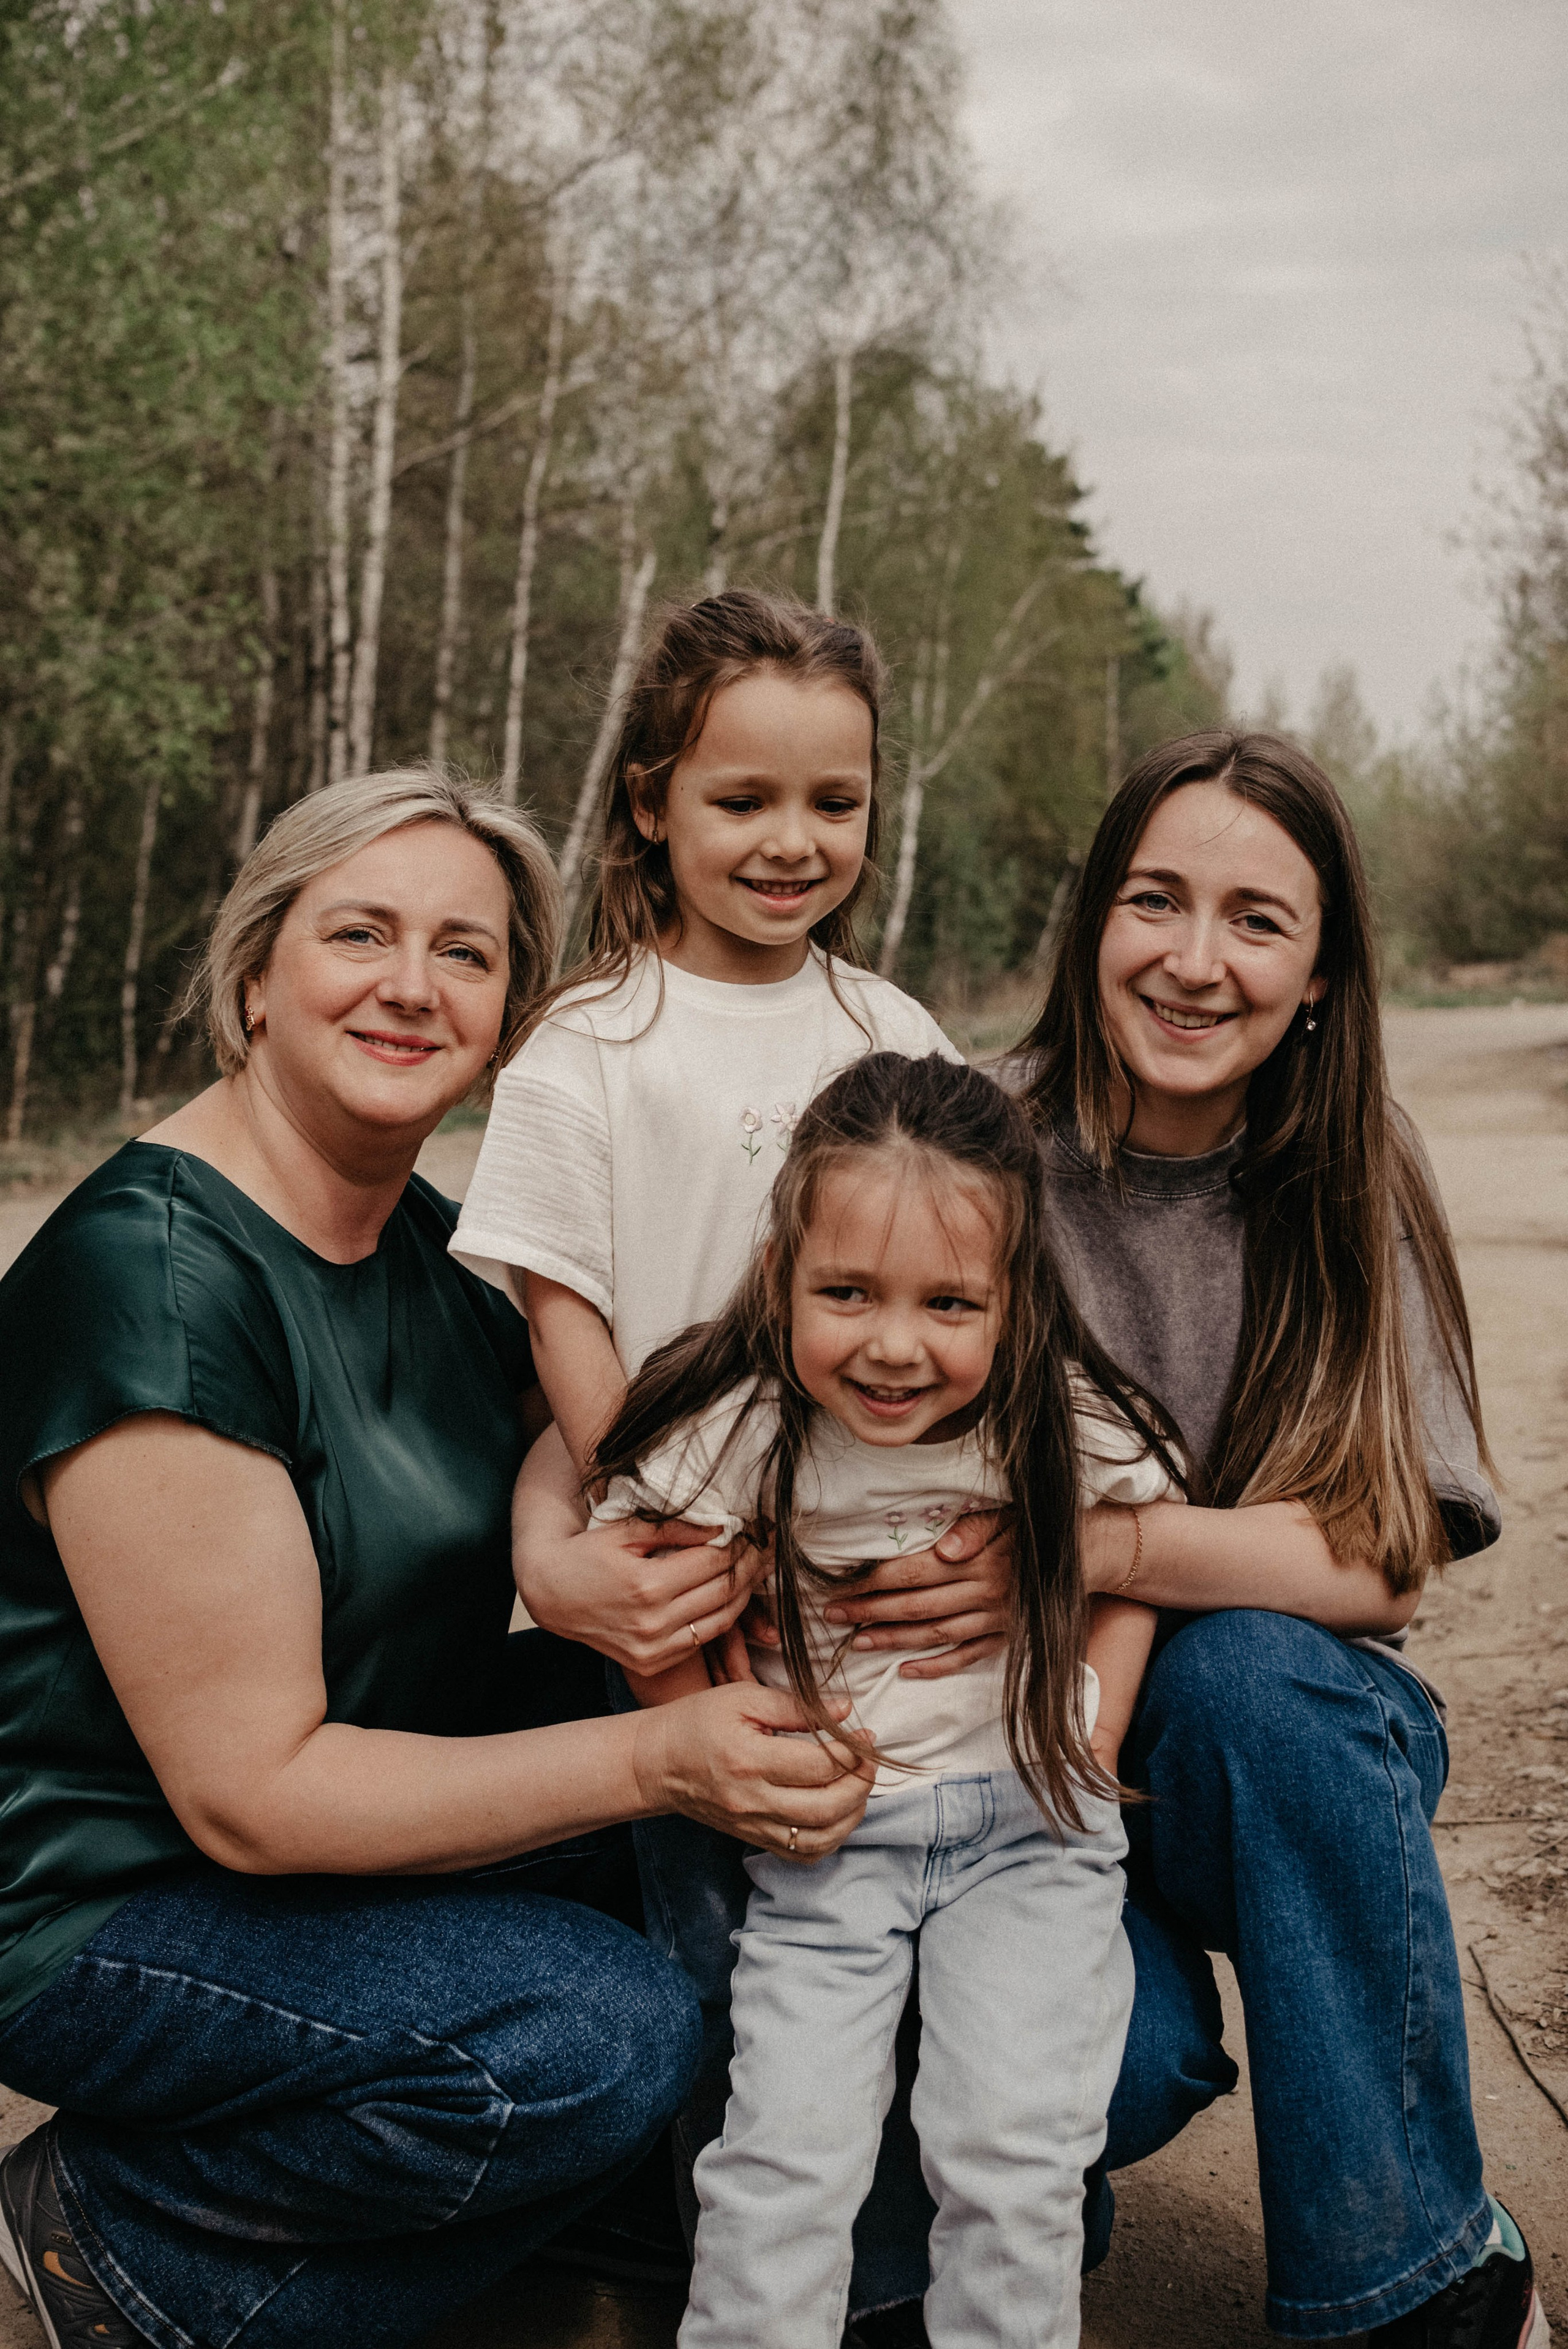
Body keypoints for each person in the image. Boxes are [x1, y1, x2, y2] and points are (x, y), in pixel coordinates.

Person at [0, 769, 870, 2349]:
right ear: (256, 973)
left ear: (510, 1016)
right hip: (113, 1899)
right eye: (361, 934)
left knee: (752, 1881)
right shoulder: (160, 1282)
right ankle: (119, 2250)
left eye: (466, 953)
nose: (413, 986)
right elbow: (251, 1794)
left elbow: (621, 1438)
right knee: (595, 2030)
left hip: (341, 1821)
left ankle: (579, 2197)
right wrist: (657, 1754)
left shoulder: (431, 1246)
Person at [824, 731, 1540, 2349]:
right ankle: (954, 2233)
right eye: (1156, 898)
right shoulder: (970, 1144)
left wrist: (1093, 1545)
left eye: (1256, 919)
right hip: (996, 1770)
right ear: (1095, 919)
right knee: (1127, 2060)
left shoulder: (1357, 1167)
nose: (1194, 959)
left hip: (1267, 1774)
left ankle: (1410, 2273)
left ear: (1320, 972)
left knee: (1256, 1677)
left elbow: (1382, 1561)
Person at [455, 591, 1012, 2220]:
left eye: (832, 802)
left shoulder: (889, 1031)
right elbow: (567, 1318)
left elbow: (970, 1289)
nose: (792, 840)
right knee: (731, 1948)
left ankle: (901, 2263)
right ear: (651, 802)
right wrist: (680, 1550)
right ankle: (734, 2254)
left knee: (898, 1936)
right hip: (687, 1593)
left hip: (882, 1577)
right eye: (743, 799)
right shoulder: (593, 1045)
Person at [588, 1052, 1181, 2349]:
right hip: (830, 1851)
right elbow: (636, 1584)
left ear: (1014, 1298)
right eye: (845, 1292)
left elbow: (1143, 1552)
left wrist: (1094, 1726)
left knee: (1013, 2150)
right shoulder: (741, 1426)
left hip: (1031, 1837)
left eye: (948, 1301)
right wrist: (716, 1737)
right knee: (785, 2154)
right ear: (781, 1274)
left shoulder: (1054, 1417)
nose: (893, 1345)